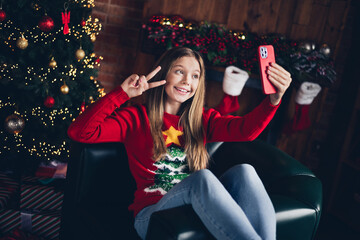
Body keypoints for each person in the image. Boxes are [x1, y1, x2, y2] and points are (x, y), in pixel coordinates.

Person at [67, 47, 292, 240]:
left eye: (195, 76)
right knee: (202, 178)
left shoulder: (203, 120)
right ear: (164, 73)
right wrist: (123, 93)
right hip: (152, 215)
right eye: (179, 72)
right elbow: (80, 132)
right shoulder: (136, 117)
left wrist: (274, 100)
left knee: (246, 171)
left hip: (194, 210)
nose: (187, 81)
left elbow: (247, 131)